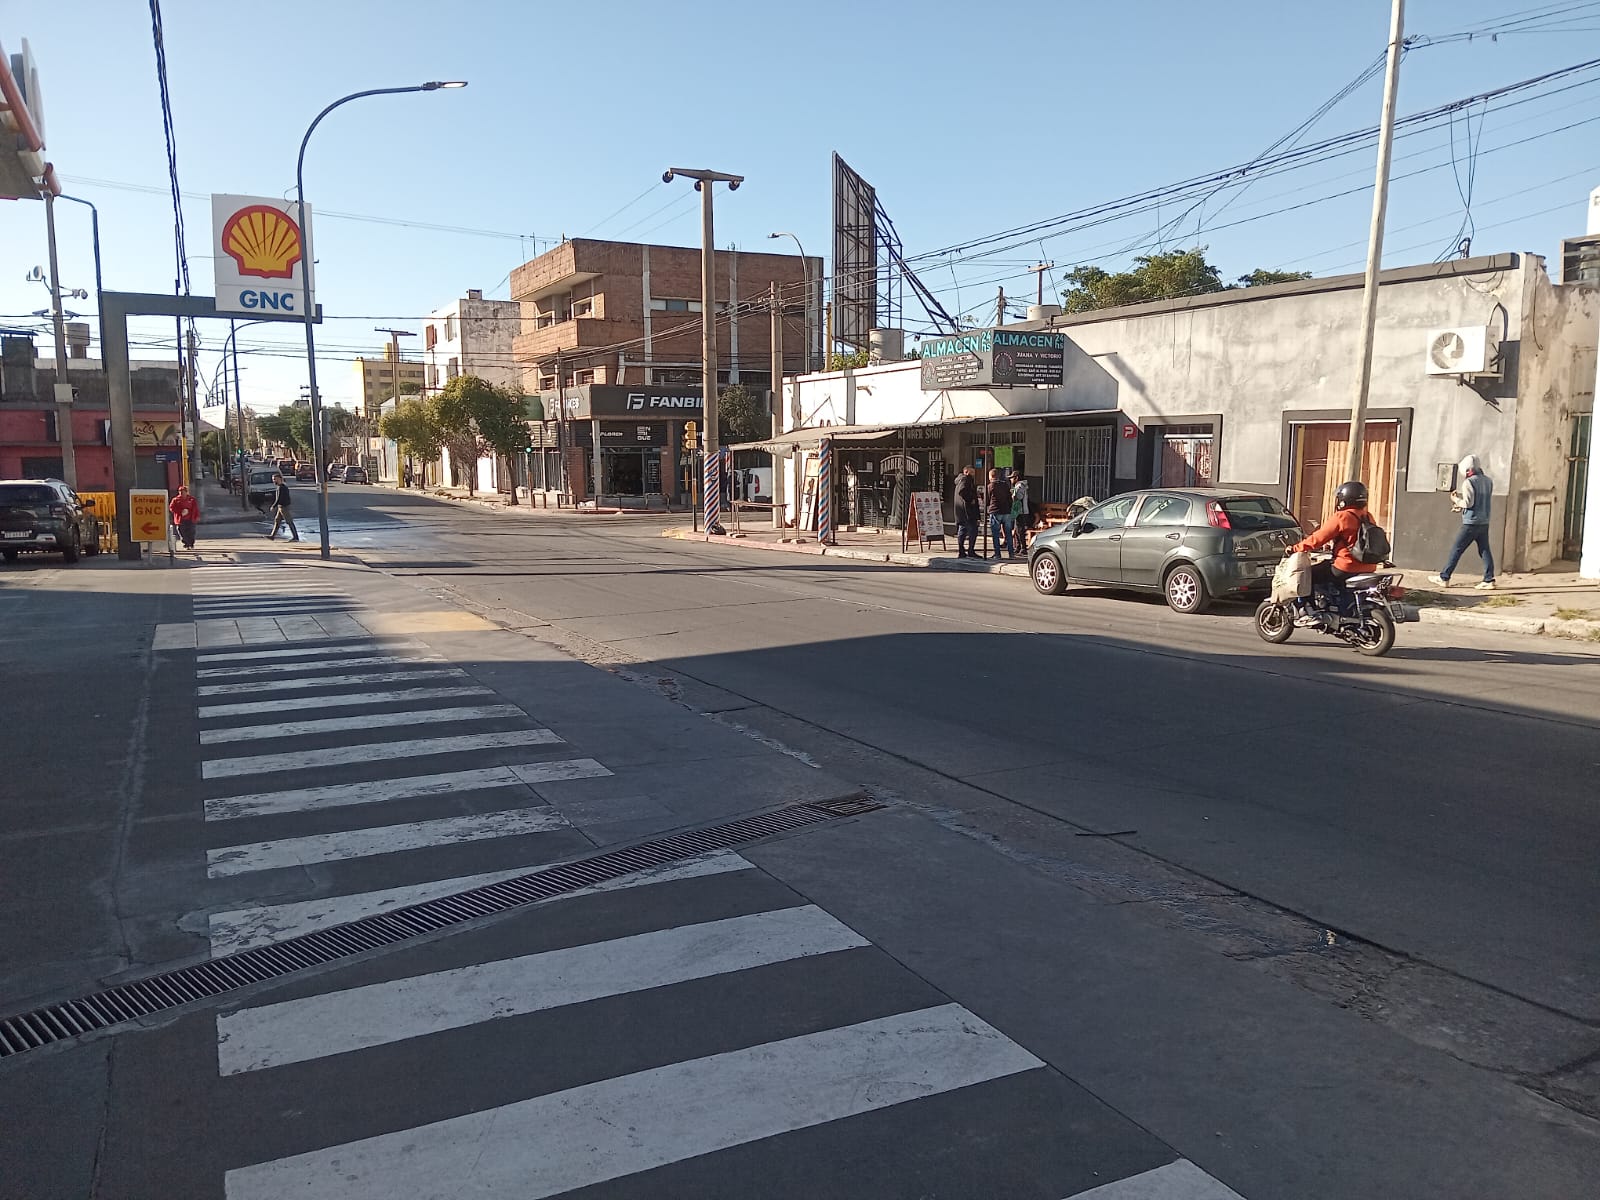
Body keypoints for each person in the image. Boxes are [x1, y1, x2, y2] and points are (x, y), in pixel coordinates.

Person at [1287, 480, 1383, 603]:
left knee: (1308, 575)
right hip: (1369, 567)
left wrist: (1296, 548)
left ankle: (1309, 611)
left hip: (1346, 567)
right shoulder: (1368, 516)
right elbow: (1355, 538)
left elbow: (1318, 538)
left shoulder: (1342, 516)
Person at [1429, 453, 1495, 590]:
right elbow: (1478, 502)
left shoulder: (1469, 482)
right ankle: (1489, 579)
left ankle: (1444, 577)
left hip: (1470, 523)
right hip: (1484, 521)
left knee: (1456, 549)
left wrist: (1456, 500)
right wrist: (1460, 506)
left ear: (1468, 471)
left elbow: (1468, 503)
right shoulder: (1488, 481)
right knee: (1484, 550)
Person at [985, 467, 1013, 560]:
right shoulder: (1005, 485)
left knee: (996, 534)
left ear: (990, 476)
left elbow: (987, 500)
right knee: (1008, 533)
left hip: (995, 511)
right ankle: (1011, 553)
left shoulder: (990, 486)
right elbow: (1010, 498)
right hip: (1006, 511)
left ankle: (997, 554)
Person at [953, 466, 979, 558]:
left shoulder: (961, 480)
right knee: (972, 530)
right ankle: (969, 550)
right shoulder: (965, 479)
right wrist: (970, 499)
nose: (973, 474)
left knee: (963, 530)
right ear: (966, 472)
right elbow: (962, 491)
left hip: (962, 511)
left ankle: (962, 551)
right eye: (971, 472)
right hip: (967, 511)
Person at [268, 473, 300, 542]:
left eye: (275, 479)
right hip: (281, 507)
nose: (274, 481)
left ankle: (296, 537)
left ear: (279, 479)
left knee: (289, 522)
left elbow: (279, 498)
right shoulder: (280, 487)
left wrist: (273, 506)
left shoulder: (282, 487)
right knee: (277, 521)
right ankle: (272, 536)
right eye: (273, 479)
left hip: (284, 507)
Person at [168, 484, 199, 550]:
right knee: (181, 531)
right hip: (180, 519)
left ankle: (191, 543)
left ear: (186, 492)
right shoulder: (176, 500)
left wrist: (196, 516)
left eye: (183, 491)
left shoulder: (192, 499)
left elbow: (196, 508)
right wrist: (180, 511)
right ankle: (186, 543)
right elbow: (171, 508)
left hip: (190, 518)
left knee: (191, 531)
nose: (182, 493)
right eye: (180, 491)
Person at [1010, 470, 1031, 556]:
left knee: (1019, 530)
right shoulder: (1019, 485)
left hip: (1020, 510)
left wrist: (1012, 494)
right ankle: (1018, 546)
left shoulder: (1020, 486)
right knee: (1017, 529)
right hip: (1019, 510)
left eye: (1012, 478)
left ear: (1016, 478)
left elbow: (1018, 497)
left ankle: (1023, 548)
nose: (1011, 480)